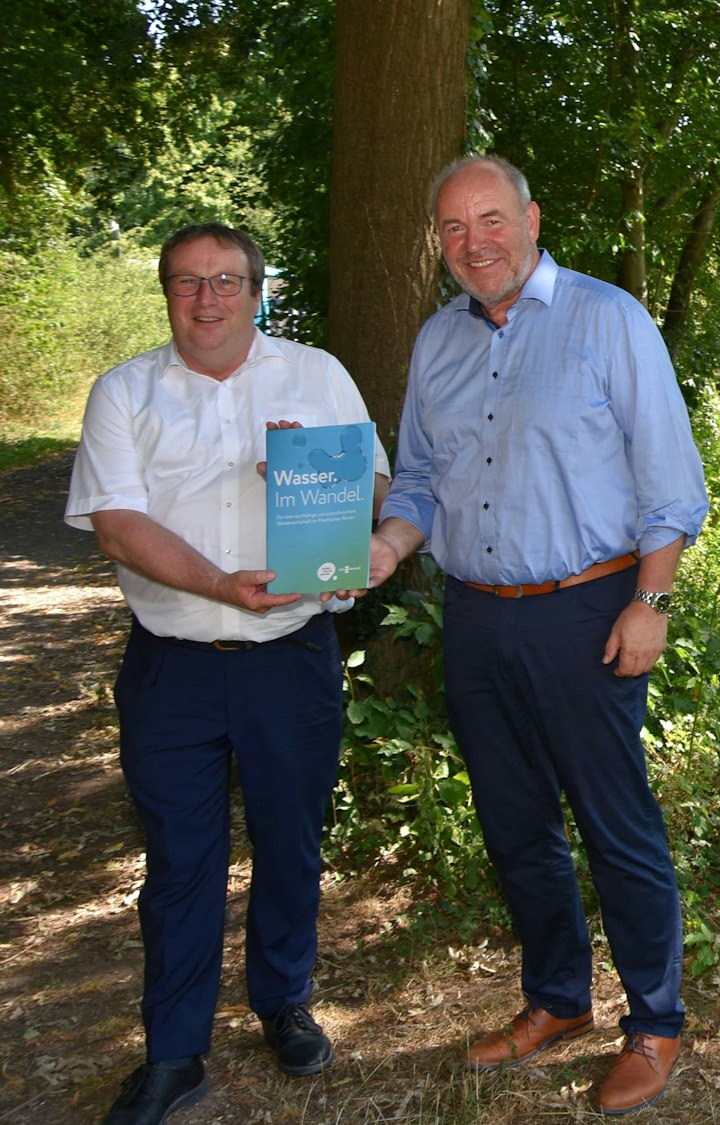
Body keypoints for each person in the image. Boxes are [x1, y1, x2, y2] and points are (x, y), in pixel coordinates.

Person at [366, 154, 708, 1116]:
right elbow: (423, 482)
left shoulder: (608, 319)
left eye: (490, 220)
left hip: (588, 611)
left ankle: (656, 1021)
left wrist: (654, 600)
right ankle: (557, 1000)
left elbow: (670, 480)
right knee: (516, 826)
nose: (473, 243)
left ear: (531, 218)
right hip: (473, 616)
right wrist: (391, 547)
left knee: (616, 826)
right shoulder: (436, 341)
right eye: (451, 228)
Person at [65, 222, 391, 1125]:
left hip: (291, 658)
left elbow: (372, 494)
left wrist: (313, 469)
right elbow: (117, 524)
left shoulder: (317, 375)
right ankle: (175, 1051)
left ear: (259, 291)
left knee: (291, 841)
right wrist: (217, 584)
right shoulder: (125, 391)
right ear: (166, 292)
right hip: (172, 665)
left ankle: (282, 1000)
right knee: (179, 862)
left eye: (227, 281)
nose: (207, 299)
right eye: (187, 282)